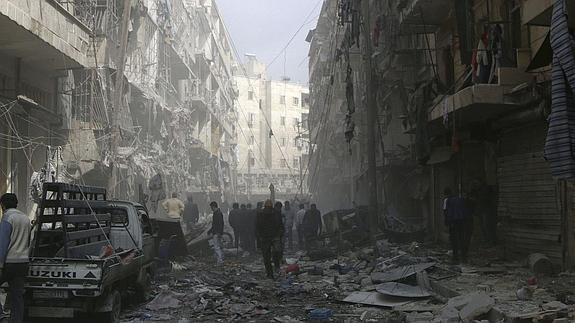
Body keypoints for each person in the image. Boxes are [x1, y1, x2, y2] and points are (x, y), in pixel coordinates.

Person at [0, 193, 31, 323]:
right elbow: (28, 241)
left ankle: (1, 314)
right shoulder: (25, 218)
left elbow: (2, 243)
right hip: (23, 263)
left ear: (3, 205)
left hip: (8, 263)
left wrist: (0, 264)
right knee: (17, 295)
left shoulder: (7, 218)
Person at [443, 188, 473, 263]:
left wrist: (447, 222)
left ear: (446, 194)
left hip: (453, 221)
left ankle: (455, 257)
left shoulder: (447, 200)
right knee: (462, 238)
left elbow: (446, 212)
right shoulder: (461, 199)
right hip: (462, 220)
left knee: (454, 239)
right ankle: (464, 257)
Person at [255, 200, 284, 279]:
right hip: (271, 237)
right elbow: (280, 225)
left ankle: (271, 272)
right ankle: (274, 269)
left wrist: (259, 237)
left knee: (267, 257)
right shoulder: (275, 213)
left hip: (268, 237)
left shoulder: (261, 214)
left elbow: (257, 227)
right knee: (274, 253)